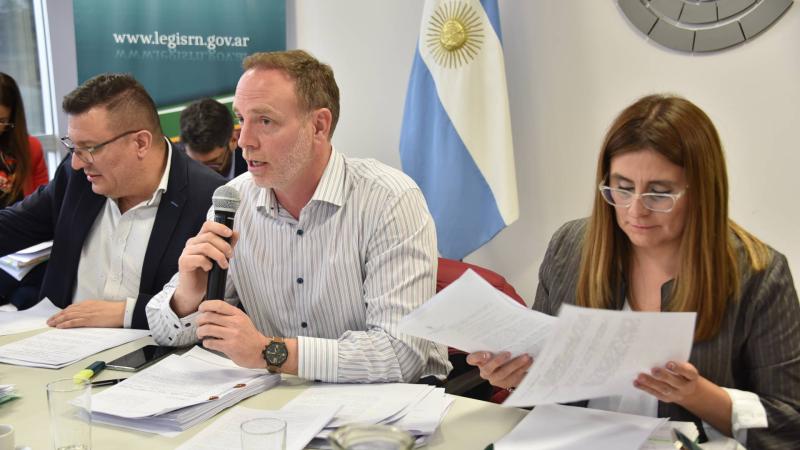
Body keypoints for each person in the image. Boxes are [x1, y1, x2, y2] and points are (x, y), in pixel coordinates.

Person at [467, 95, 799, 449]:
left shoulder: (760, 275)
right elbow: (546, 379)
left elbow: (790, 423)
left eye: (659, 193)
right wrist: (519, 376)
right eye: (622, 189)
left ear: (701, 192)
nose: (635, 210)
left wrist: (698, 395)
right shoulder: (570, 247)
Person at [147, 50, 450, 384]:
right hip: (283, 397)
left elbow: (400, 355)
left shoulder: (389, 200)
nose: (244, 141)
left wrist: (269, 352)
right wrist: (189, 295)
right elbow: (162, 329)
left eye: (265, 121)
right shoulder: (235, 200)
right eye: (242, 119)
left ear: (319, 126)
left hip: (390, 403)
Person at [0, 73, 225, 329]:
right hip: (57, 340)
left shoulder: (208, 198)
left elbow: (208, 306)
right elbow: (11, 227)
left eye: (89, 148)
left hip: (150, 349)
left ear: (140, 143)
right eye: (73, 147)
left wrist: (127, 313)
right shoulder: (77, 178)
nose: (76, 162)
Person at [0, 72, 50, 309]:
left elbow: (42, 209)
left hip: (23, 255)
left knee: (29, 296)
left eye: (1, 120)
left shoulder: (30, 149)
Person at [178, 98, 246, 180]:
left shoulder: (254, 161)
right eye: (193, 163)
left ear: (233, 141)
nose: (201, 173)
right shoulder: (174, 165)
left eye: (212, 164)